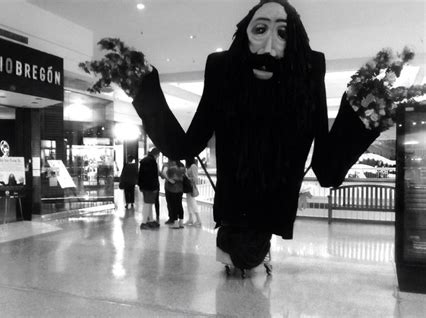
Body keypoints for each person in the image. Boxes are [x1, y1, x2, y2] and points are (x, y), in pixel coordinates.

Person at [84, 0, 383, 271]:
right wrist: (365, 114)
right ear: (246, 34)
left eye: (282, 34)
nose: (269, 47)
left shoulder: (305, 70)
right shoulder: (227, 70)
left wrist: (363, 116)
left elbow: (326, 165)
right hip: (246, 201)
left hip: (259, 201)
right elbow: (188, 144)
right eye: (261, 30)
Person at [137, 148, 161, 230]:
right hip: (150, 186)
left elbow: (140, 174)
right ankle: (144, 222)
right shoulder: (152, 162)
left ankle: (150, 220)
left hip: (144, 186)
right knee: (148, 204)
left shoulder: (144, 161)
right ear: (156, 154)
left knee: (149, 203)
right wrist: (155, 187)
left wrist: (140, 185)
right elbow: (153, 176)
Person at [161, 159, 186, 229]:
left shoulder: (168, 165)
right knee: (179, 204)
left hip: (171, 189)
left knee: (173, 205)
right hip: (180, 188)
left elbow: (163, 173)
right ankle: (181, 223)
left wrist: (169, 180)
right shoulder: (181, 165)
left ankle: (175, 223)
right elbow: (184, 175)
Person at [184, 157, 202, 227]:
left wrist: (187, 178)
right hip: (188, 187)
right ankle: (191, 218)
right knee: (189, 203)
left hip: (191, 186)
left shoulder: (193, 166)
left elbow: (195, 178)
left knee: (192, 202)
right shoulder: (189, 166)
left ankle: (198, 219)